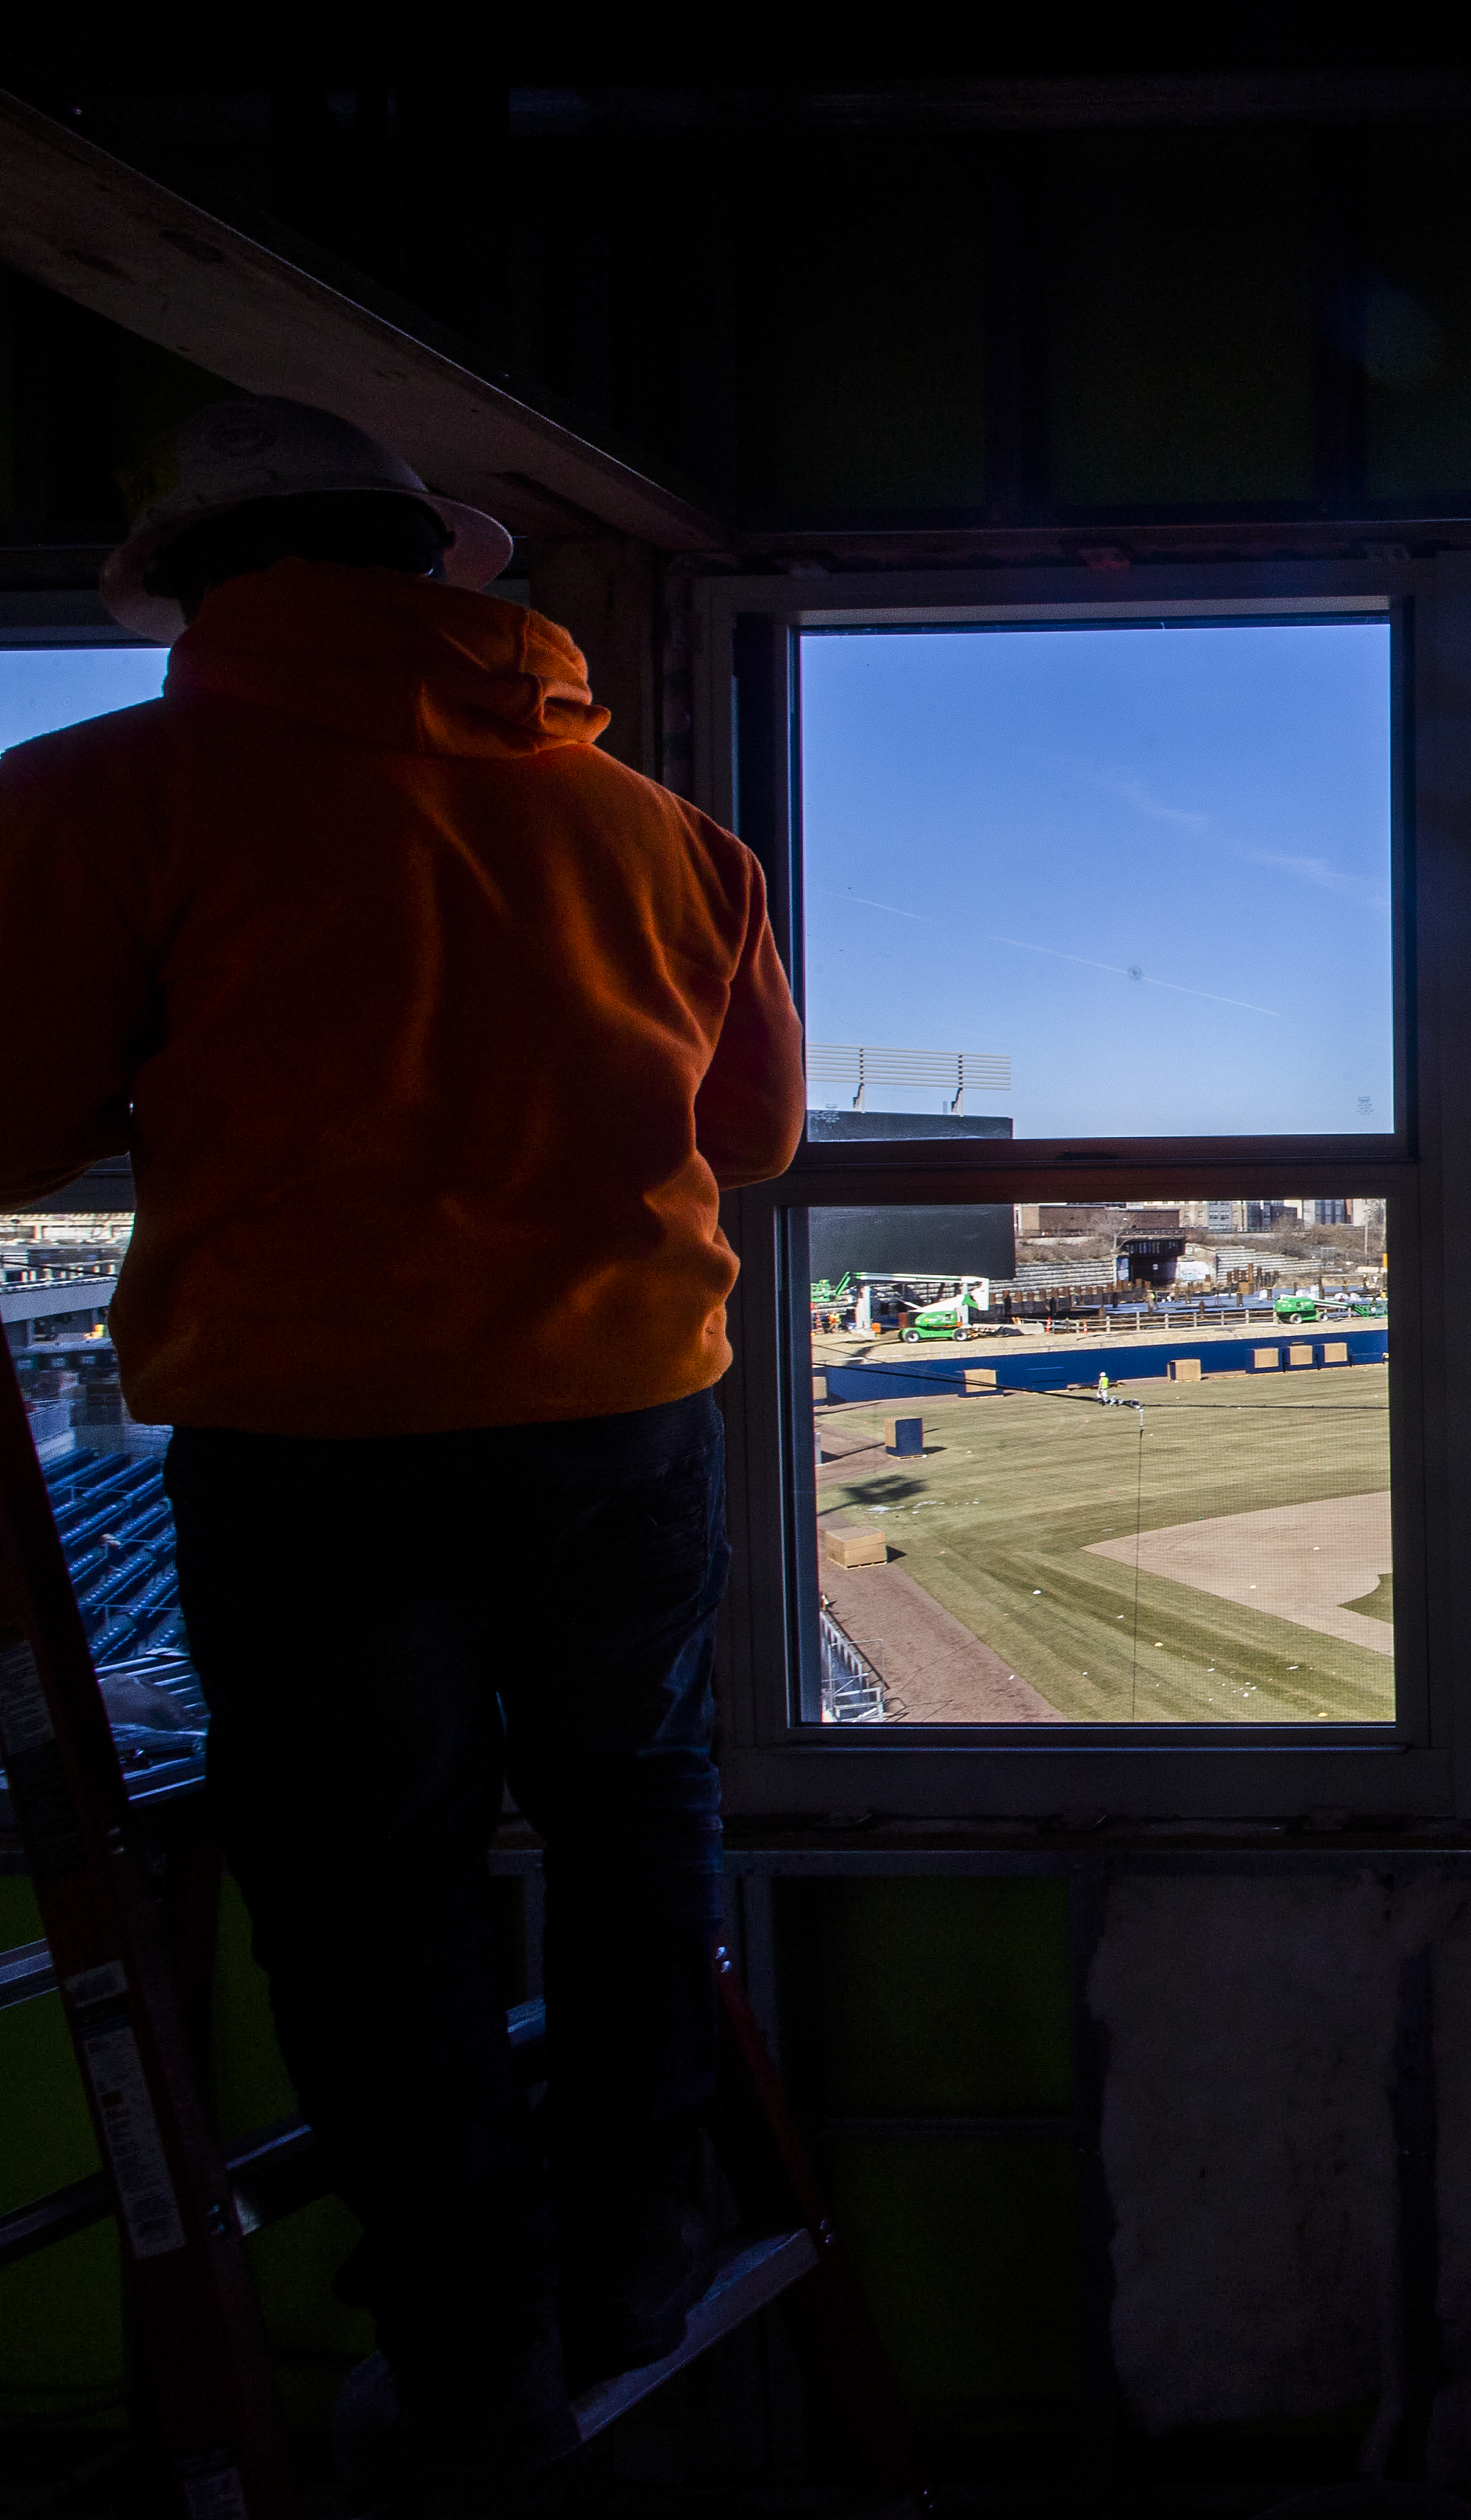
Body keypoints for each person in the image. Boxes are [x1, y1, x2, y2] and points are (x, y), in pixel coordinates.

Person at [0, 399, 802, 2496]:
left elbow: (13, 1110)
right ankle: (640, 2242)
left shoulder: (103, 796)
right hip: (620, 1416)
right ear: (440, 572)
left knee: (370, 1900)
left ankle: (476, 2347)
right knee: (637, 1816)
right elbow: (758, 1137)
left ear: (196, 594)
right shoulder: (670, 839)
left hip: (314, 1430)